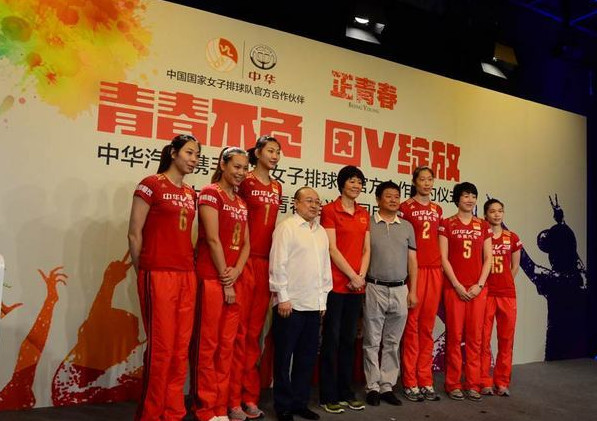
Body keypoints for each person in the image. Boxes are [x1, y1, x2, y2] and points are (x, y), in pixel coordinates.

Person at [127, 134, 200, 421]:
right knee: (161, 348)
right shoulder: (151, 185)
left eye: (197, 155)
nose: (194, 159)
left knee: (180, 348)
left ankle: (172, 411)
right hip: (157, 274)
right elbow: (134, 234)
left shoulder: (191, 193)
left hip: (186, 276)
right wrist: (143, 271)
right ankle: (151, 413)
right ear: (173, 153)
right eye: (189, 153)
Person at [190, 147, 250, 421]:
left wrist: (236, 272)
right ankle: (205, 408)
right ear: (223, 165)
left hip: (233, 280)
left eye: (244, 168)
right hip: (212, 279)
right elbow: (212, 239)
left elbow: (246, 244)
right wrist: (226, 278)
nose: (241, 172)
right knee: (208, 346)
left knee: (227, 347)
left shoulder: (241, 203)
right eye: (236, 166)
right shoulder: (209, 193)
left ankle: (220, 406)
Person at [230, 135, 282, 420]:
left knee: (254, 335)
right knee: (237, 334)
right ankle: (231, 399)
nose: (275, 156)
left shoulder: (277, 186)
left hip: (266, 264)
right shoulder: (245, 181)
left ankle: (249, 396)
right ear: (258, 152)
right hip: (244, 262)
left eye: (278, 152)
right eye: (270, 150)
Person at [269, 187, 333, 421]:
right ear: (295, 203)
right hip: (290, 305)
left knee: (306, 358)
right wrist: (283, 297)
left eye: (317, 202)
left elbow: (325, 268)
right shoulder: (287, 228)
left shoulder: (321, 232)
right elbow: (277, 264)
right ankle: (283, 406)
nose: (314, 205)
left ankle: (299, 403)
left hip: (313, 305)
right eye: (309, 201)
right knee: (284, 358)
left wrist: (322, 300)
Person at [319, 165, 370, 414]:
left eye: (359, 182)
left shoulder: (363, 213)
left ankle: (346, 392)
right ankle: (328, 395)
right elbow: (332, 248)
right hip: (336, 285)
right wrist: (352, 275)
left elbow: (367, 249)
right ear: (341, 184)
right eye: (351, 181)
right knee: (332, 340)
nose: (356, 185)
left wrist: (361, 277)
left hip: (356, 287)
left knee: (350, 341)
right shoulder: (330, 210)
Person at [363, 181, 418, 407]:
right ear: (378, 199)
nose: (394, 200)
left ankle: (387, 386)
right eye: (388, 196)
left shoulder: (407, 226)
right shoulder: (367, 223)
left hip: (400, 289)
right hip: (374, 287)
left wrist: (413, 290)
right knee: (372, 340)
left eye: (397, 196)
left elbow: (412, 261)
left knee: (393, 341)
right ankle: (372, 387)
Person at [439, 182, 492, 402]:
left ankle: (473, 383)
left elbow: (488, 258)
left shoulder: (483, 225)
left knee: (475, 339)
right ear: (457, 199)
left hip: (478, 290)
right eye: (466, 195)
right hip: (454, 289)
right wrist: (457, 285)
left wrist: (479, 285)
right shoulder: (446, 223)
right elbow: (443, 258)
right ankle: (452, 383)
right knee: (454, 337)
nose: (470, 200)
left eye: (473, 196)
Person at [400, 166, 444, 402]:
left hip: (435, 270)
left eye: (430, 179)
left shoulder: (438, 209)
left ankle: (425, 379)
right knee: (412, 328)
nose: (426, 183)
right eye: (422, 179)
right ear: (414, 182)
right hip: (415, 271)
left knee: (427, 328)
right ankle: (410, 381)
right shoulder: (405, 207)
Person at [480, 199, 522, 397]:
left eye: (500, 211)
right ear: (485, 215)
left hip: (507, 295)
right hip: (486, 294)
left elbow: (515, 266)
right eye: (492, 211)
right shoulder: (482, 236)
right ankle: (484, 381)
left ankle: (502, 382)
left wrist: (505, 282)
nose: (497, 214)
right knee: (483, 340)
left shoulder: (512, 237)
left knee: (506, 340)